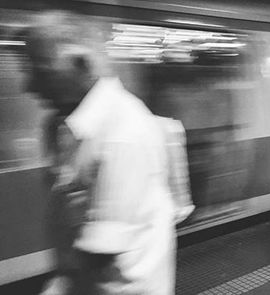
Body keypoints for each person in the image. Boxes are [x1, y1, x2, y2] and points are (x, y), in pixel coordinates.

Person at [26, 11, 192, 294]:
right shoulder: (70, 125)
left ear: (80, 64)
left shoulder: (121, 133)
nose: (29, 85)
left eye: (41, 71)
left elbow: (100, 257)